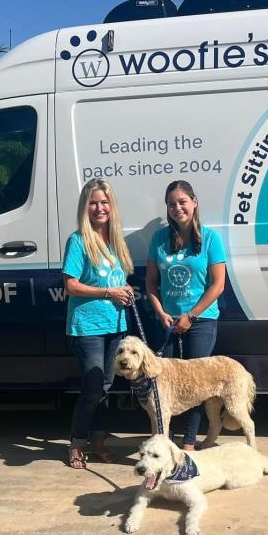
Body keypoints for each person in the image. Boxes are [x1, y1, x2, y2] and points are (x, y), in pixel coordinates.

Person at [145, 180, 227, 451]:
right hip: (167, 321)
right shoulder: (159, 239)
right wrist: (160, 312)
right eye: (171, 204)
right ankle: (162, 443)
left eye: (182, 202)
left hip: (200, 321)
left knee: (195, 385)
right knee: (161, 384)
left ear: (194, 202)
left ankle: (189, 442)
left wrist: (191, 315)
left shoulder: (211, 239)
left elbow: (218, 285)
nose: (177, 208)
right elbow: (151, 283)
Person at [63, 178, 134, 469]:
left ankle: (99, 442)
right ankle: (77, 443)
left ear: (111, 206)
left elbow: (118, 279)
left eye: (104, 202)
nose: (99, 208)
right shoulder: (78, 241)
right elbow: (71, 286)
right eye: (93, 203)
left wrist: (124, 289)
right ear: (85, 207)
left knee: (106, 387)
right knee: (93, 388)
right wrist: (108, 293)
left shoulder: (116, 240)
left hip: (115, 324)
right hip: (88, 327)